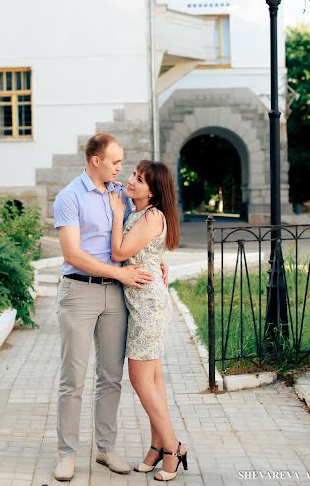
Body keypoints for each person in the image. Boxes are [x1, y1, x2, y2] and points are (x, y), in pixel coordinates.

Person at [52, 133, 167, 482]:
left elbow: (146, 229)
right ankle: (67, 454)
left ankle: (106, 447)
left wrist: (160, 262)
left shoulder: (119, 192)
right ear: (95, 160)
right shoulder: (69, 197)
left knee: (111, 378)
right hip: (79, 292)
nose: (121, 168)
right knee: (73, 378)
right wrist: (119, 271)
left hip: (118, 295)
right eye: (116, 162)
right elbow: (72, 254)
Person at [108, 160, 188, 482]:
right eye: (133, 175)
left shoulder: (151, 214)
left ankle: (173, 448)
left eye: (139, 180)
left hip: (148, 306)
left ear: (153, 192)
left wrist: (115, 216)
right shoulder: (139, 212)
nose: (131, 181)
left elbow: (119, 252)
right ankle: (157, 447)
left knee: (141, 380)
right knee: (152, 380)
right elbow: (146, 251)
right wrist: (159, 261)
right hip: (144, 302)